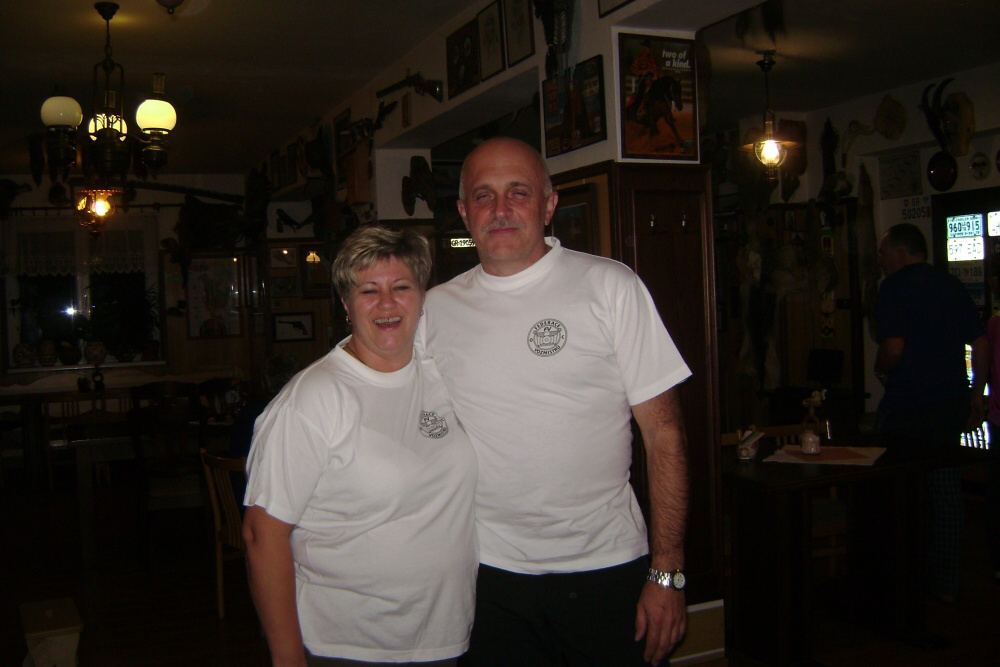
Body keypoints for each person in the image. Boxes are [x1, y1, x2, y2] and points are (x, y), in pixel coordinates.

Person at [420, 137, 691, 666]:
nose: (500, 209)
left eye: (518, 192)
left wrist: (668, 571)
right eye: (483, 195)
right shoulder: (435, 310)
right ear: (464, 212)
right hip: (485, 574)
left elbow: (665, 434)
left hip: (606, 567)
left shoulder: (610, 287)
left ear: (549, 204)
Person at [243, 226, 478, 666]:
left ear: (422, 297)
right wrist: (288, 657)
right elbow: (262, 534)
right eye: (369, 291)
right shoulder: (314, 398)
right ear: (346, 305)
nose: (387, 303)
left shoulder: (440, 375)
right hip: (346, 645)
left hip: (444, 638)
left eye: (401, 287)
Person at [874, 222, 988, 603]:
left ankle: (898, 578)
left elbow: (893, 347)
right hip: (949, 404)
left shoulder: (893, 287)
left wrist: (881, 369)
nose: (880, 261)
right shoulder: (951, 285)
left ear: (900, 253)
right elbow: (981, 342)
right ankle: (947, 583)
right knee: (946, 491)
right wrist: (976, 395)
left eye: (883, 253)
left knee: (893, 493)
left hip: (907, 407)